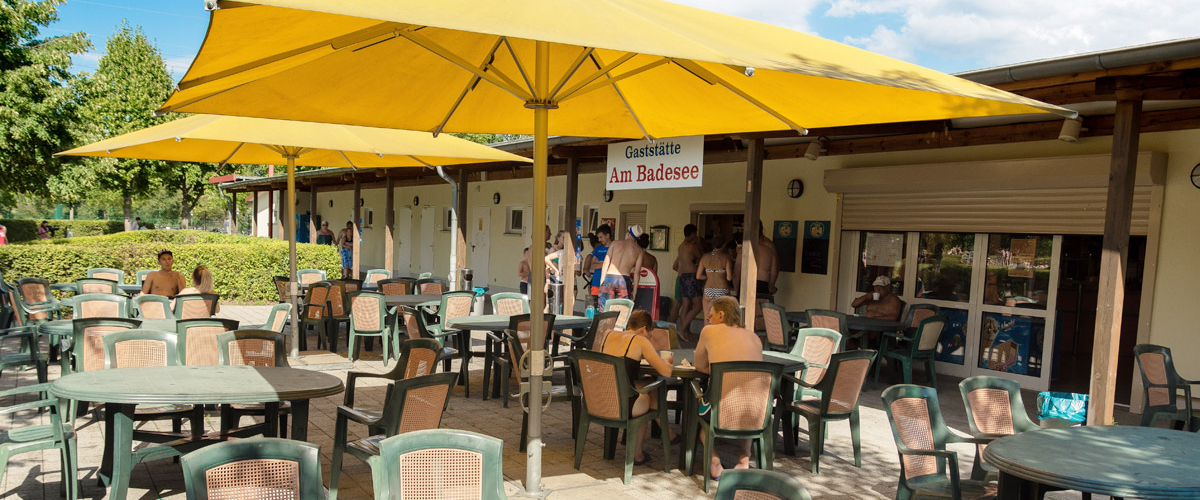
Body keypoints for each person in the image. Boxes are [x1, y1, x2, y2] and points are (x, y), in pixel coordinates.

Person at [693, 295, 763, 480]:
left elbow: (699, 365)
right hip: (756, 411)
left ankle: (714, 460)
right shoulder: (754, 337)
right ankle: (744, 458)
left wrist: (718, 367)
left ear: (721, 315)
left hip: (721, 411)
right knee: (747, 398)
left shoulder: (709, 332)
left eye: (711, 314)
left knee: (702, 420)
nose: (708, 318)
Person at [596, 310, 676, 465]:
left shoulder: (608, 334)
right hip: (623, 404)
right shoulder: (640, 341)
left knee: (648, 384)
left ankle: (669, 433)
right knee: (647, 395)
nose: (649, 338)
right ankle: (638, 454)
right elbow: (666, 372)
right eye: (649, 334)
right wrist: (669, 361)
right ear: (643, 329)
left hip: (601, 398)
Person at [598, 224, 644, 309]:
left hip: (610, 278)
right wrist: (634, 291)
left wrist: (602, 281)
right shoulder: (639, 250)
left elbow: (605, 263)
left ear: (628, 233)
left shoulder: (615, 243)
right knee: (622, 310)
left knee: (605, 309)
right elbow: (637, 273)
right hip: (624, 280)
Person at [671, 224, 703, 341]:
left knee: (686, 306)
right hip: (691, 277)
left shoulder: (681, 246)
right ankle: (682, 329)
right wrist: (698, 243)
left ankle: (685, 332)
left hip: (682, 277)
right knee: (698, 306)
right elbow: (702, 257)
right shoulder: (692, 246)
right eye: (695, 233)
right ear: (692, 233)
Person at [696, 241, 735, 318]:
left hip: (708, 289)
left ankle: (706, 330)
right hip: (721, 289)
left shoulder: (704, 257)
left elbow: (698, 276)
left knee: (707, 318)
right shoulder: (726, 257)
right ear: (724, 245)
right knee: (723, 318)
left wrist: (708, 276)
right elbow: (729, 278)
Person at [585, 225, 612, 308]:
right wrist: (605, 264)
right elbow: (592, 265)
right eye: (598, 237)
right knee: (595, 307)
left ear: (607, 235)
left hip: (610, 282)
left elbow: (613, 265)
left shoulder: (614, 247)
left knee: (607, 307)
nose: (599, 240)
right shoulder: (597, 248)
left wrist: (599, 263)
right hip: (596, 282)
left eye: (601, 237)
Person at [754, 222, 780, 296]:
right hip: (749, 281)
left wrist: (771, 285)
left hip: (762, 282)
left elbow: (776, 266)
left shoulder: (767, 244)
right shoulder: (748, 244)